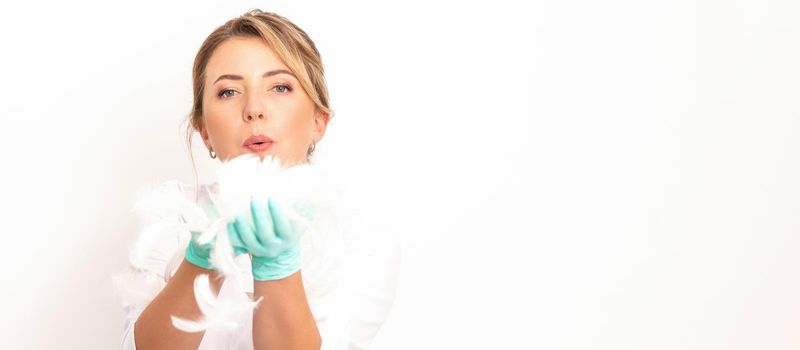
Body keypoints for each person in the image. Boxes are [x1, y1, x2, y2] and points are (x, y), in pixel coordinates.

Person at [113, 10, 401, 349]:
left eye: (280, 87)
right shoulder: (171, 216)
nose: (254, 109)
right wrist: (201, 261)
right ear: (204, 131)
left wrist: (277, 266)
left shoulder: (362, 237)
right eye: (228, 92)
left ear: (318, 122)